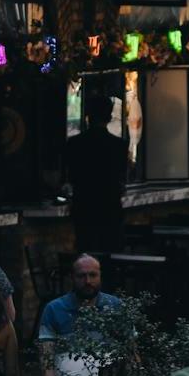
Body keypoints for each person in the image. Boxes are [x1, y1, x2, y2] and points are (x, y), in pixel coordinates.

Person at [37, 255, 125, 376]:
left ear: (100, 276)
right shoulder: (54, 309)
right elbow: (46, 357)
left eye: (92, 275)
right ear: (72, 277)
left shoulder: (115, 307)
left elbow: (131, 350)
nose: (88, 281)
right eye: (81, 276)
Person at [64, 93, 130, 255]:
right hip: (110, 208)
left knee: (86, 252)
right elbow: (122, 178)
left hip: (84, 208)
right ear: (109, 117)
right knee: (111, 256)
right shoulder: (119, 145)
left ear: (88, 116)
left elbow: (70, 177)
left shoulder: (74, 144)